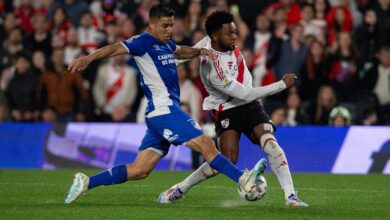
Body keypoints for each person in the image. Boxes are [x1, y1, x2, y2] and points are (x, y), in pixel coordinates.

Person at [64, 4, 266, 204]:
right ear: (151, 24)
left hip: (160, 113)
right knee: (206, 144)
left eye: (171, 25)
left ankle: (86, 182)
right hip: (164, 110)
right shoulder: (142, 42)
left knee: (140, 169)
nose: (169, 30)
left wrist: (199, 52)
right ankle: (243, 179)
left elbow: (179, 52)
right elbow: (114, 48)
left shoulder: (166, 44)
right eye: (165, 25)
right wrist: (87, 59)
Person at [158, 11, 308, 207]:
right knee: (226, 160)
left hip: (251, 106)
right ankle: (181, 187)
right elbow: (245, 93)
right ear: (215, 36)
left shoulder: (207, 42)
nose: (235, 37)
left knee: (271, 143)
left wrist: (169, 61)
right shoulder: (214, 71)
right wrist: (281, 85)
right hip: (228, 109)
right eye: (230, 34)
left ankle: (291, 197)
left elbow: (179, 57)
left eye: (235, 32)